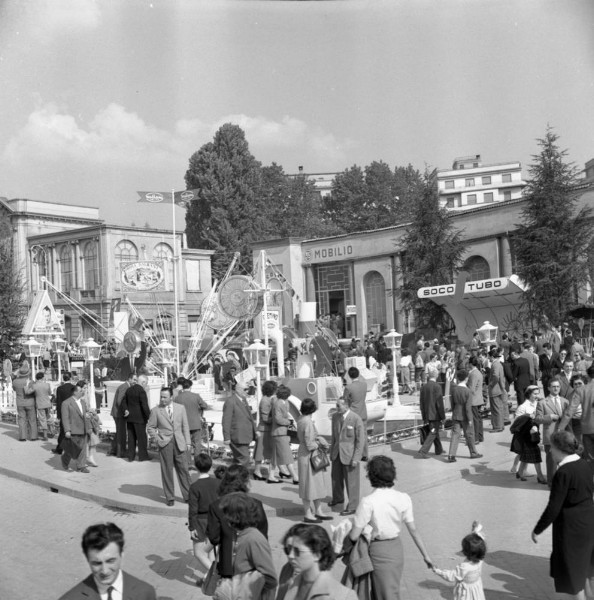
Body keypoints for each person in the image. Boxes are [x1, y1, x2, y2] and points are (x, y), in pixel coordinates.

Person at [348, 455, 432, 600]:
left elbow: (354, 536)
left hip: (378, 551)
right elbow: (414, 531)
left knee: (383, 594)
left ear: (371, 476)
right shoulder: (404, 497)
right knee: (390, 590)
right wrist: (426, 556)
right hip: (396, 549)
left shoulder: (368, 502)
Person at [532, 430, 594, 599]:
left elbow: (554, 507)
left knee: (574, 578)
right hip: (588, 524)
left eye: (552, 447)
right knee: (588, 571)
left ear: (560, 449)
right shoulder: (585, 464)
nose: (550, 451)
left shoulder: (563, 472)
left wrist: (537, 529)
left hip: (571, 529)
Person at [58, 522, 156, 600]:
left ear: (121, 555)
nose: (105, 571)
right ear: (87, 560)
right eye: (97, 563)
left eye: (110, 561)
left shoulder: (145, 593)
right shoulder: (71, 598)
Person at [207, 465, 268, 582]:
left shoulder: (216, 506)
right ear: (246, 482)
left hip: (228, 566)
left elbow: (214, 538)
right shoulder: (257, 504)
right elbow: (263, 537)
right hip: (252, 563)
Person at [216, 492, 278, 600]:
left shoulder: (253, 539)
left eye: (226, 513)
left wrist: (246, 591)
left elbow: (270, 578)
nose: (224, 517)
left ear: (234, 516)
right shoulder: (240, 534)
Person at [279, 524, 357, 600]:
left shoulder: (344, 596)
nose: (290, 555)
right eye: (288, 550)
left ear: (317, 554)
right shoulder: (287, 572)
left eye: (297, 551)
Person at [146, 386, 191, 506]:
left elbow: (185, 426)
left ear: (171, 397)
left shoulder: (180, 408)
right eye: (161, 397)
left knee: (184, 470)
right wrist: (157, 439)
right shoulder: (156, 410)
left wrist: (188, 442)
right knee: (167, 470)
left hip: (180, 443)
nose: (162, 399)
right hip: (165, 443)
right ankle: (170, 497)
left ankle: (188, 495)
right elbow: (150, 427)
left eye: (165, 397)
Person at [296, 397, 332, 523]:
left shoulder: (300, 420)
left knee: (312, 484)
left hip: (304, 454)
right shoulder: (308, 422)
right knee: (310, 484)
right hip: (310, 455)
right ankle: (308, 513)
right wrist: (320, 443)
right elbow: (310, 443)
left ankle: (317, 510)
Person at [329, 395, 365, 516]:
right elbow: (334, 436)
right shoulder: (335, 417)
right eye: (336, 405)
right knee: (335, 479)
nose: (336, 407)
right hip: (336, 454)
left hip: (349, 456)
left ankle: (353, 506)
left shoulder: (356, 419)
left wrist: (356, 458)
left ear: (346, 406)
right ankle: (338, 499)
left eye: (338, 405)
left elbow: (360, 441)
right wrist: (331, 452)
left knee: (352, 482)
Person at [431, 522, 486, 600]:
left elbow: (451, 576)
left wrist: (437, 571)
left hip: (466, 593)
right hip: (476, 588)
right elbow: (478, 542)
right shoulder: (480, 559)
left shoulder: (465, 566)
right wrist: (475, 531)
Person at [188, 452, 219, 584]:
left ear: (196, 467)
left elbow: (193, 510)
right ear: (210, 466)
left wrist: (192, 527)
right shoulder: (217, 483)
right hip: (216, 519)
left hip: (201, 521)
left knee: (198, 553)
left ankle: (216, 574)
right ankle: (209, 578)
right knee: (211, 550)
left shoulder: (195, 487)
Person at [535, 378, 570, 486]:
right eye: (553, 386)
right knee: (551, 461)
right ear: (549, 388)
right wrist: (549, 417)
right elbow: (537, 419)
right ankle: (551, 483)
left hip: (563, 435)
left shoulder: (565, 401)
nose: (556, 388)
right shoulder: (542, 402)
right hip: (550, 435)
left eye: (557, 386)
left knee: (564, 460)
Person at [510, 385, 547, 484]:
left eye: (537, 393)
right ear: (529, 394)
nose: (537, 395)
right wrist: (528, 417)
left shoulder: (538, 404)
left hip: (534, 434)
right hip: (525, 435)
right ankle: (540, 476)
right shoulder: (523, 407)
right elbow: (517, 423)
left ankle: (520, 472)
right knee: (536, 454)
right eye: (535, 394)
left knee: (526, 455)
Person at [445, 369, 482, 463]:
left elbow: (452, 404)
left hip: (456, 414)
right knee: (469, 434)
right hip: (465, 416)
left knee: (455, 435)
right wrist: (470, 419)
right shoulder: (468, 391)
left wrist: (454, 412)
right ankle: (473, 453)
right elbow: (468, 408)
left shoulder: (454, 389)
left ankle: (451, 455)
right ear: (466, 378)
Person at [174, 377, 209, 470]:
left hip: (183, 424)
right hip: (195, 423)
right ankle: (197, 462)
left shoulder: (177, 398)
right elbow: (205, 405)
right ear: (190, 386)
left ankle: (188, 462)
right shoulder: (196, 396)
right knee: (197, 443)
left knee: (186, 444)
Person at [222, 384, 257, 467]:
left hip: (245, 435)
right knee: (244, 458)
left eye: (247, 389)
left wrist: (255, 431)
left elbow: (249, 417)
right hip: (237, 436)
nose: (247, 391)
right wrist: (226, 437)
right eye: (245, 389)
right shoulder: (230, 401)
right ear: (238, 390)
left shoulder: (243, 400)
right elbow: (226, 420)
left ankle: (233, 477)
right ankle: (241, 477)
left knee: (238, 459)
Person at [60, 380, 90, 473]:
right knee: (71, 450)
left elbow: (84, 414)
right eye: (81, 391)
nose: (83, 392)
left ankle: (81, 466)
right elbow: (65, 418)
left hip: (83, 428)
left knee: (82, 449)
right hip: (73, 429)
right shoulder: (66, 403)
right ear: (75, 392)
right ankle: (64, 461)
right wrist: (67, 430)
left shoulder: (83, 402)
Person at [271, 384, 299, 484]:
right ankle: (295, 477)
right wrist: (288, 422)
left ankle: (272, 475)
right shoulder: (278, 403)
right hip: (280, 432)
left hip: (280, 432)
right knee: (288, 456)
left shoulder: (283, 402)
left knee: (275, 456)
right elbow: (278, 419)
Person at [121, 374, 151, 462]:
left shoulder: (129, 389)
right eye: (146, 383)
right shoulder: (141, 391)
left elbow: (124, 402)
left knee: (131, 438)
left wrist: (126, 410)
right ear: (143, 382)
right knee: (141, 438)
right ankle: (143, 456)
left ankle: (131, 456)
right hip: (140, 418)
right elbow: (144, 406)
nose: (146, 385)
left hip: (130, 418)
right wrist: (149, 417)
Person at [253, 380, 279, 482]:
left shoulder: (267, 399)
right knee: (261, 452)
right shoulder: (265, 401)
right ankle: (258, 471)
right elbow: (265, 418)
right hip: (265, 430)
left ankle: (258, 471)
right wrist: (276, 419)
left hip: (265, 429)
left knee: (261, 452)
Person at [417, 367, 445, 458]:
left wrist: (423, 415)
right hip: (435, 414)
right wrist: (443, 416)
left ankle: (439, 449)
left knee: (434, 430)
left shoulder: (424, 387)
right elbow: (439, 403)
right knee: (433, 431)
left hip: (427, 413)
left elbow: (421, 402)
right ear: (436, 375)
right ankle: (423, 451)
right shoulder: (437, 387)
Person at [108, 373, 135, 458]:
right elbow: (120, 401)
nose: (135, 382)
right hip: (119, 414)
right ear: (130, 379)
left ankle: (114, 450)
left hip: (118, 413)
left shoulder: (125, 386)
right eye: (134, 379)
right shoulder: (125, 387)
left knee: (120, 432)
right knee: (121, 433)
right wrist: (126, 410)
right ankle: (121, 453)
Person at [343, 366, 369, 459]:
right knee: (364, 434)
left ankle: (354, 454)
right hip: (363, 412)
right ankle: (365, 454)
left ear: (349, 376)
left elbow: (344, 401)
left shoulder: (348, 387)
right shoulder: (364, 385)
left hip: (353, 413)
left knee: (352, 435)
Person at [12, 362, 38, 441]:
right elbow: (34, 391)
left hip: (20, 402)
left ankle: (22, 437)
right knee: (32, 420)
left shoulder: (15, 382)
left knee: (21, 419)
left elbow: (14, 389)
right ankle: (33, 436)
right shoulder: (31, 381)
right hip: (29, 402)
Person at [53, 373, 76, 454]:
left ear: (63, 378)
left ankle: (60, 448)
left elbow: (59, 402)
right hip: (73, 410)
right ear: (70, 378)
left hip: (64, 411)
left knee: (63, 430)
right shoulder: (74, 388)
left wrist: (58, 414)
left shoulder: (60, 388)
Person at [487, 349, 507, 432]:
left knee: (495, 409)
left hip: (495, 389)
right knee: (499, 408)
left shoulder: (495, 364)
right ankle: (500, 425)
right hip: (499, 389)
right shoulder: (498, 364)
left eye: (489, 357)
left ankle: (497, 426)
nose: (488, 359)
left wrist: (490, 384)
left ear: (492, 357)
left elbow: (495, 376)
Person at [467, 356, 485, 443]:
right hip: (479, 398)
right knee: (479, 418)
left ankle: (476, 438)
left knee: (475, 419)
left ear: (471, 364)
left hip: (474, 400)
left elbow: (471, 388)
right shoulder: (478, 372)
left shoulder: (473, 374)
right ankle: (480, 436)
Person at [33, 371, 53, 440]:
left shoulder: (35, 385)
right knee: (48, 417)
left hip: (40, 404)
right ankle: (52, 431)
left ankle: (45, 435)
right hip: (47, 403)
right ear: (42, 377)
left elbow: (28, 392)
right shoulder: (47, 385)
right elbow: (50, 393)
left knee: (42, 419)